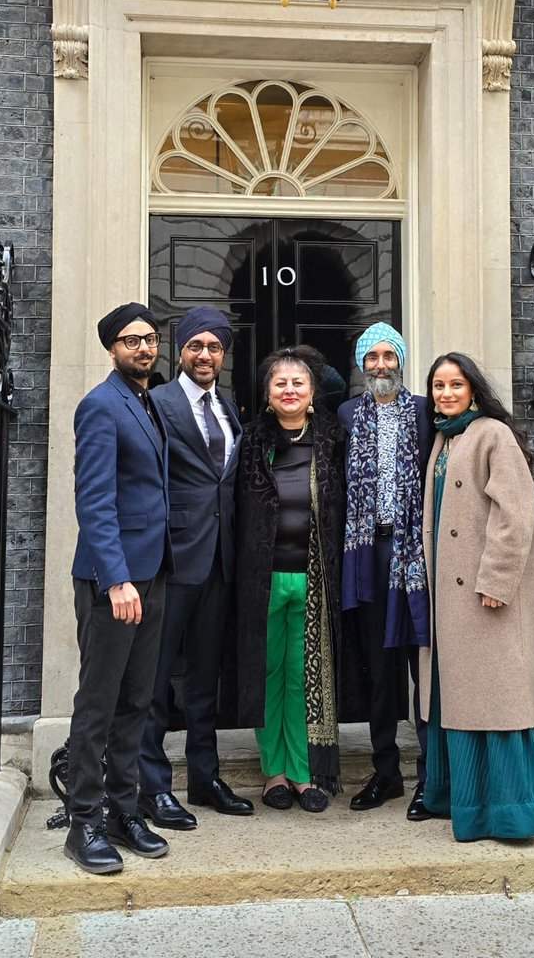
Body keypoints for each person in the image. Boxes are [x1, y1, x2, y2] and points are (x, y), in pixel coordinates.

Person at [419, 352, 534, 842]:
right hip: (452, 599)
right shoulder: (444, 437)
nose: (446, 393)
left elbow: (516, 514)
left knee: (492, 702)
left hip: (484, 597)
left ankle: (510, 812)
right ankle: (463, 801)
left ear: (474, 389)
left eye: (456, 385)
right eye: (438, 385)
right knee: (458, 700)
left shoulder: (493, 435)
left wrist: (497, 581)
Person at [64, 303, 174, 874]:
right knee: (99, 705)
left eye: (151, 339)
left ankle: (121, 809)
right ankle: (83, 821)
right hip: (116, 583)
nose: (144, 348)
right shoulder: (101, 406)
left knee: (137, 701)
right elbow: (95, 502)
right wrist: (117, 580)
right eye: (132, 341)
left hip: (151, 575)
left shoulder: (146, 403)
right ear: (112, 348)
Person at [137, 306, 253, 829]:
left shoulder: (229, 408)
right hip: (170, 560)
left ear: (223, 355)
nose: (205, 355)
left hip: (219, 561)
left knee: (205, 679)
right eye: (195, 346)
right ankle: (154, 788)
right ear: (179, 350)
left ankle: (205, 779)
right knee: (156, 680)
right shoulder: (156, 403)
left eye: (214, 347)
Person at [234, 346, 348, 813]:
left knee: (305, 677)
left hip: (315, 577)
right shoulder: (250, 441)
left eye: (298, 383)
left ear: (313, 392)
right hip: (262, 577)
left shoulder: (333, 439)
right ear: (267, 394)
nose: (289, 390)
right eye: (280, 383)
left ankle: (303, 774)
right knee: (269, 673)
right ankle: (273, 773)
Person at [339, 322, 433, 820]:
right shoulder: (347, 413)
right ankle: (386, 773)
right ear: (360, 364)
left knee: (423, 669)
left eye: (388, 355)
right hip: (366, 552)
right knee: (378, 670)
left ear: (401, 360)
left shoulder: (425, 411)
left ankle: (430, 775)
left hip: (416, 555)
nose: (380, 364)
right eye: (371, 356)